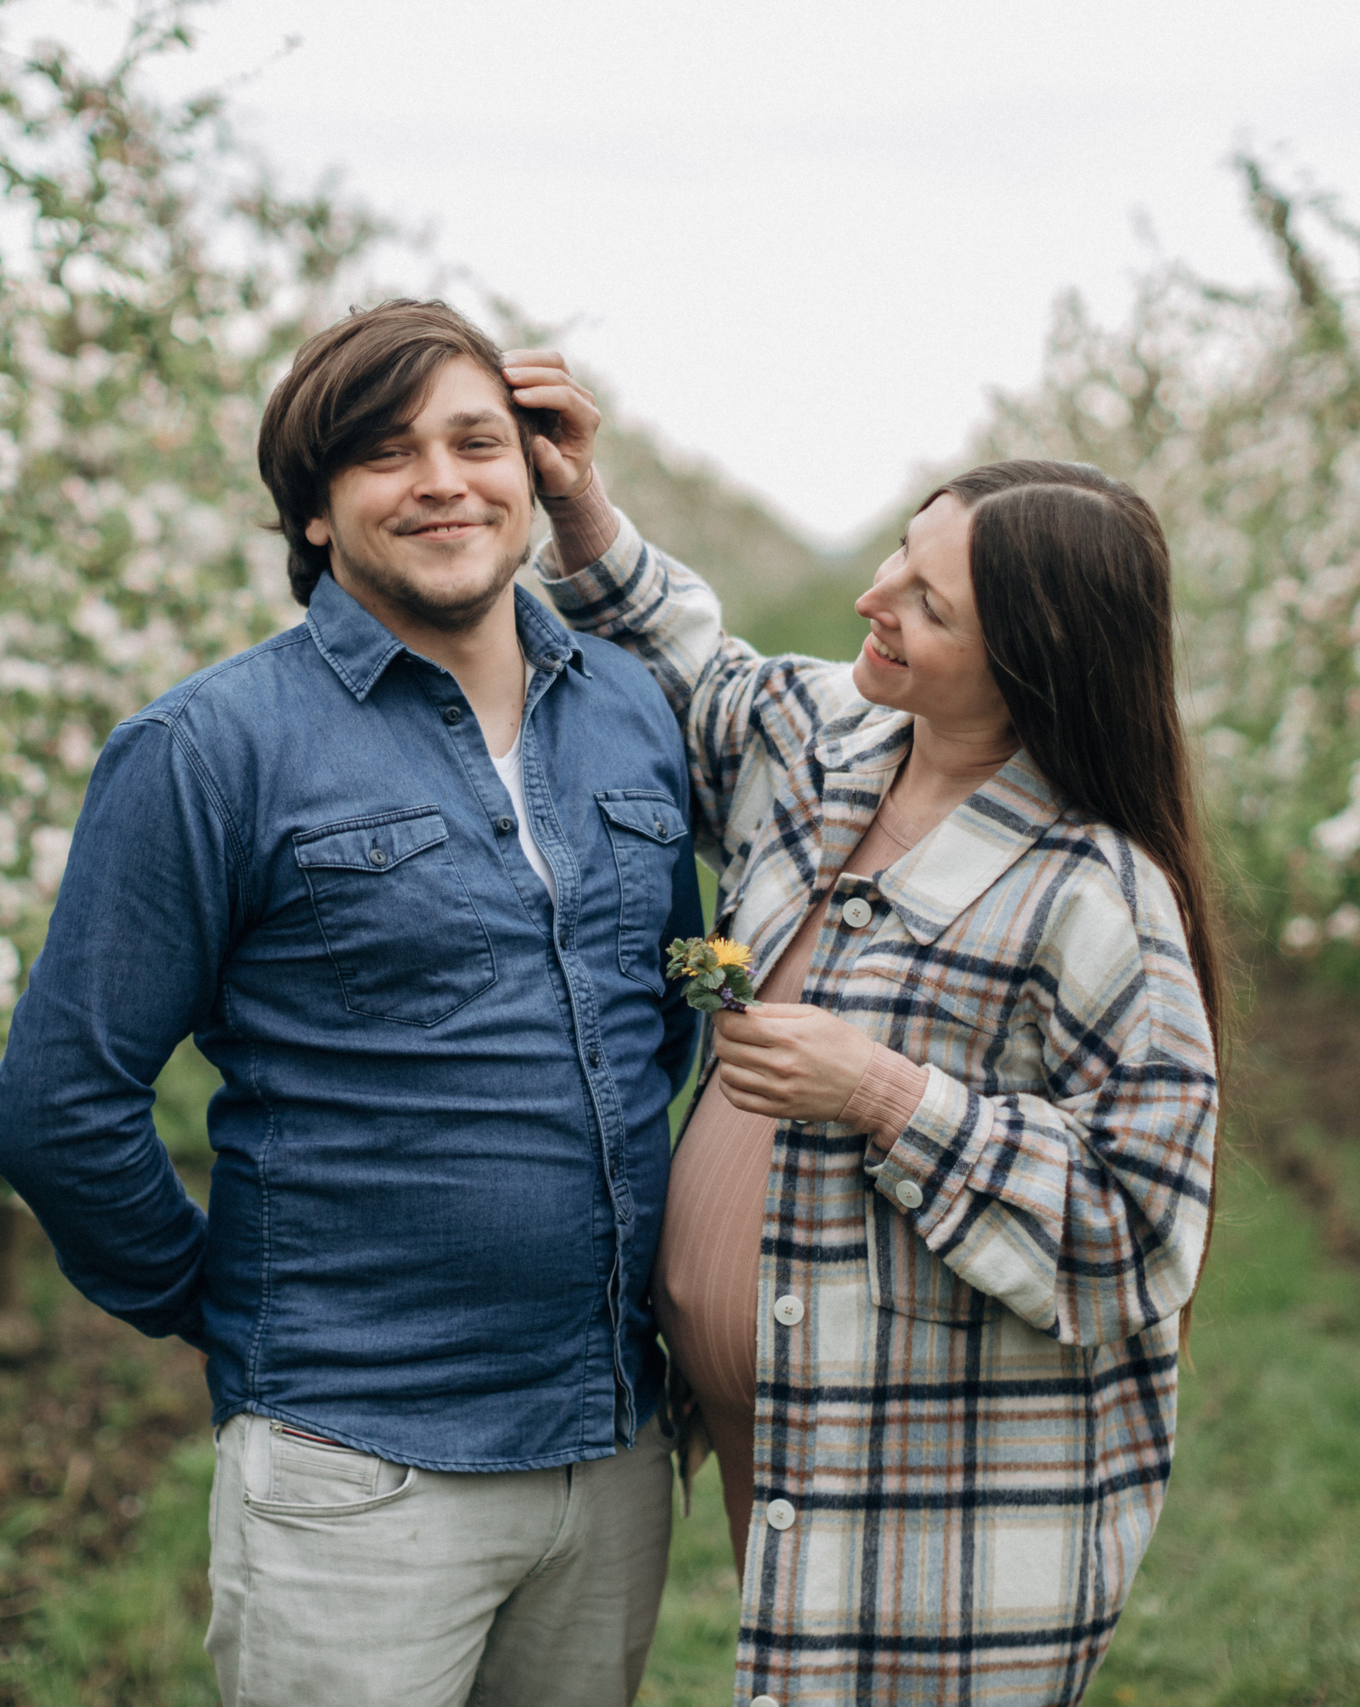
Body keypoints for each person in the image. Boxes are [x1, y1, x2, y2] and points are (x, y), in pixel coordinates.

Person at [0, 301, 703, 1707]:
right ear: (315, 512)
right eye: (384, 455)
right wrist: (226, 1308)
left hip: (610, 1445)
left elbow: (657, 1023)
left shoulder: (629, 709)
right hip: (359, 1467)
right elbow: (59, 1106)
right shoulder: (211, 748)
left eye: (475, 440)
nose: (441, 480)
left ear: (533, 471)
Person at [505, 352, 1222, 1707]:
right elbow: (686, 680)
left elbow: (1141, 1231)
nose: (869, 601)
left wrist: (892, 1095)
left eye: (924, 603)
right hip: (789, 1434)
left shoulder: (1092, 893)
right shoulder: (833, 739)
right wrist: (579, 507)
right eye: (897, 557)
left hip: (941, 1490)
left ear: (1032, 661)